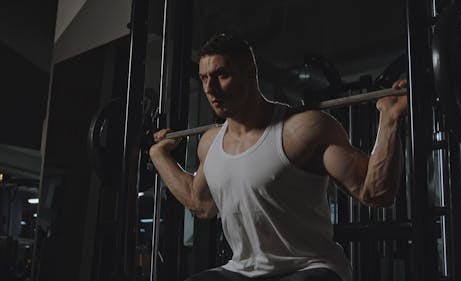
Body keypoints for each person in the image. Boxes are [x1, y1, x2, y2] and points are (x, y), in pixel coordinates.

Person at [149, 32, 408, 281]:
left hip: (309, 267)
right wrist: (158, 154)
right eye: (204, 78)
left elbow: (374, 192)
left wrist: (390, 119)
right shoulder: (209, 143)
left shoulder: (302, 130)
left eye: (222, 75)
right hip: (242, 271)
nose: (210, 88)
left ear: (250, 73)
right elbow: (201, 204)